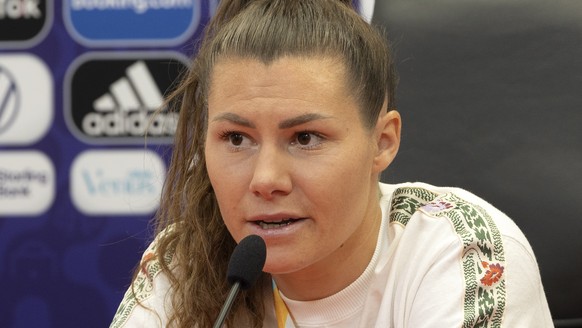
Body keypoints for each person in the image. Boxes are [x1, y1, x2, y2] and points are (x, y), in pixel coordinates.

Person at [110, 0, 553, 327]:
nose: (265, 180)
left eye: (305, 138)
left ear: (382, 142)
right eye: (237, 138)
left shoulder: (462, 251)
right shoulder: (185, 264)